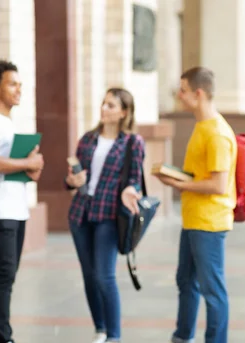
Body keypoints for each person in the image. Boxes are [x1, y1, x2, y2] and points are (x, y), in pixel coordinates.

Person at [155, 67, 236, 343]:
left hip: (209, 223)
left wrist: (179, 185)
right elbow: (200, 176)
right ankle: (182, 336)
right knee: (186, 282)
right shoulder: (202, 126)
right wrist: (176, 176)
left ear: (198, 93)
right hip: (193, 220)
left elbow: (218, 184)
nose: (179, 95)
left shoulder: (216, 133)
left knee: (212, 289)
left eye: (183, 90)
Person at [65, 88, 145, 343]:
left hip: (109, 215)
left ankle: (114, 335)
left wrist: (131, 190)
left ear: (123, 112)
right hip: (81, 213)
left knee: (104, 275)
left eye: (111, 105)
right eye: (103, 103)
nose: (104, 108)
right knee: (88, 274)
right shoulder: (87, 139)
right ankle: (99, 328)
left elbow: (134, 179)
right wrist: (71, 180)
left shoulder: (133, 142)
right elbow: (72, 180)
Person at [0, 60, 44, 343]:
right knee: (5, 274)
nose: (19, 89)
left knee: (7, 274)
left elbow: (14, 167)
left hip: (15, 209)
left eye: (20, 84)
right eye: (13, 84)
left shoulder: (8, 123)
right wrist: (26, 161)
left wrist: (32, 167)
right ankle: (0, 335)